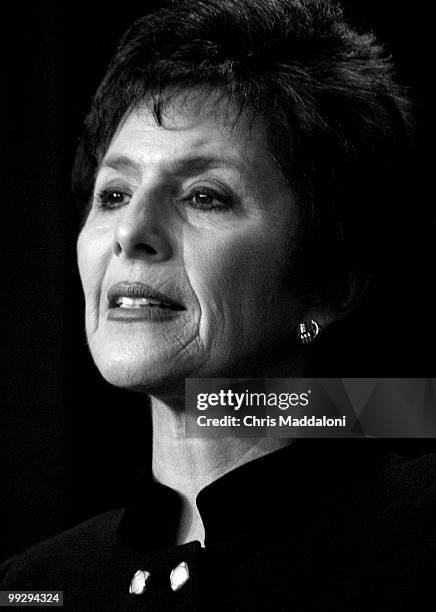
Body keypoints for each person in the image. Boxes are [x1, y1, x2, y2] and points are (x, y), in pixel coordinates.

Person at [1, 0, 435, 609]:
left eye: (204, 196)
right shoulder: (36, 585)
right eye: (115, 193)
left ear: (329, 283)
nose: (132, 231)